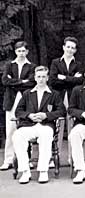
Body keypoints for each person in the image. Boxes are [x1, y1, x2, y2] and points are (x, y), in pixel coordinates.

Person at [12, 66, 66, 184]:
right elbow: (18, 111)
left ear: (47, 78)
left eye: (43, 77)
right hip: (28, 125)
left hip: (46, 125)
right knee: (17, 136)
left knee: (46, 135)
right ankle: (25, 171)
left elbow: (61, 111)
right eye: (38, 77)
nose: (41, 79)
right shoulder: (27, 93)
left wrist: (46, 115)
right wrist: (29, 115)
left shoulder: (54, 94)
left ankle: (43, 171)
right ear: (35, 78)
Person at [0, 41, 36, 170]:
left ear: (27, 52)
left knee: (25, 129)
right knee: (10, 130)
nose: (21, 53)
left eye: (23, 51)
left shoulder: (32, 66)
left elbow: (32, 82)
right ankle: (8, 159)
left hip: (26, 100)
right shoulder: (10, 65)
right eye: (18, 51)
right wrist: (22, 81)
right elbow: (5, 80)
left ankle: (27, 159)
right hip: (11, 101)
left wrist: (14, 82)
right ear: (15, 52)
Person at [49, 36, 84, 162]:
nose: (70, 49)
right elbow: (53, 81)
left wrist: (63, 78)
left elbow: (80, 81)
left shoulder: (78, 64)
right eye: (68, 47)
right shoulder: (55, 62)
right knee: (57, 127)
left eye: (72, 48)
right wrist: (71, 78)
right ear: (63, 47)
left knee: (72, 128)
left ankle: (72, 157)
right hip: (58, 97)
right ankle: (54, 158)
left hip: (73, 98)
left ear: (75, 50)